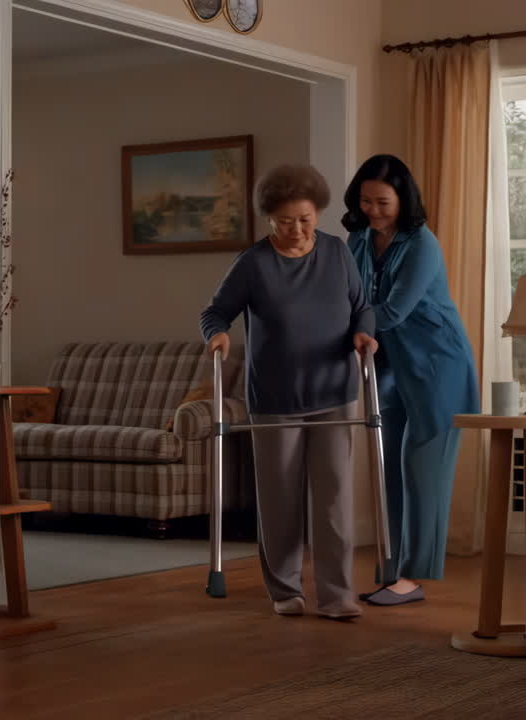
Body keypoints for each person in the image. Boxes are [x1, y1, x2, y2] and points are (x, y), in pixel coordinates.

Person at [200, 164, 377, 620]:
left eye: (305, 219)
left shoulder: (337, 254)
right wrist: (216, 335)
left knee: (335, 500)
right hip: (275, 398)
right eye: (285, 221)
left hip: (335, 392)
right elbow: (215, 312)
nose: (297, 230)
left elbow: (362, 309)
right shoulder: (254, 263)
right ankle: (285, 590)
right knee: (280, 500)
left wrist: (364, 335)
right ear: (269, 220)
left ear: (317, 214)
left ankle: (338, 596)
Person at [342, 154, 479, 606]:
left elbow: (394, 310)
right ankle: (394, 569)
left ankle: (414, 576)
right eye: (366, 201)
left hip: (438, 365)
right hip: (390, 365)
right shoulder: (358, 239)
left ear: (403, 200)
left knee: (423, 472)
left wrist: (335, 326)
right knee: (391, 472)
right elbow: (346, 296)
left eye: (383, 202)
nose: (373, 211)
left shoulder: (421, 243)